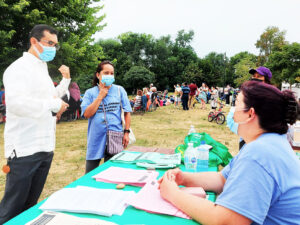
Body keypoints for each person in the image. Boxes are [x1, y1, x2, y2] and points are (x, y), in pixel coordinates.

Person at [159, 81, 300, 225]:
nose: (232, 110)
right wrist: (184, 178)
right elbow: (222, 179)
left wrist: (172, 193)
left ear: (250, 113)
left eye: (237, 103)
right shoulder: (267, 143)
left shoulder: (260, 153)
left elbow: (226, 220)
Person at [0, 24, 70, 224]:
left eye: (55, 45)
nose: (53, 49)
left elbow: (51, 97)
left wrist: (65, 81)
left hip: (45, 146)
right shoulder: (18, 68)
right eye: (49, 43)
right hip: (24, 149)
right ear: (34, 41)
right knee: (12, 208)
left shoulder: (42, 69)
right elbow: (15, 103)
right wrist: (53, 104)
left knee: (30, 207)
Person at [81, 61, 132, 174]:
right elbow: (86, 114)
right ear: (98, 75)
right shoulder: (90, 93)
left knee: (113, 173)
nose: (109, 75)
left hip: (115, 137)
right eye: (106, 73)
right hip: (96, 138)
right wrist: (100, 96)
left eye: (111, 73)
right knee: (90, 174)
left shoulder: (119, 90)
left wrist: (126, 132)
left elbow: (127, 112)